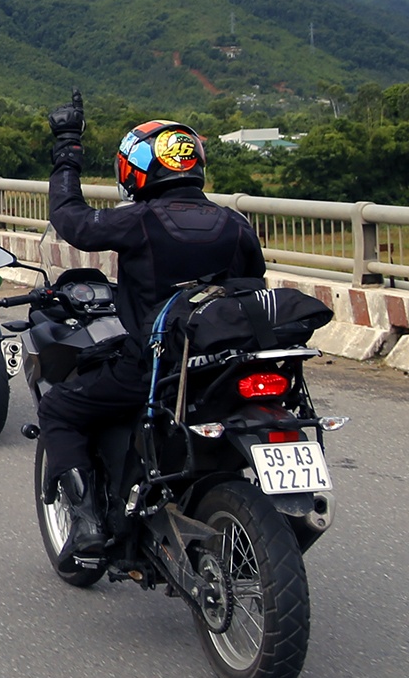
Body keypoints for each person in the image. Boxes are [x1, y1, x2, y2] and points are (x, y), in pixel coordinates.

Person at [37, 93, 266, 558]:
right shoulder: (235, 223)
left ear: (137, 170)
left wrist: (68, 147)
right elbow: (252, 283)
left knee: (60, 407)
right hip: (225, 369)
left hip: (157, 369)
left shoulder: (140, 221)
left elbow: (71, 220)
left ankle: (85, 524)